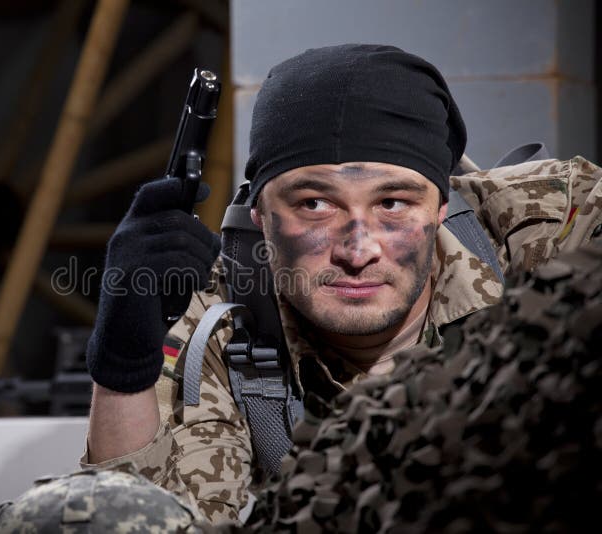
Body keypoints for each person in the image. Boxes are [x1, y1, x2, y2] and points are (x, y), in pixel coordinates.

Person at [80, 44, 602, 525]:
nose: (358, 251)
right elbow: (152, 520)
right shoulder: (223, 322)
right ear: (259, 213)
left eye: (392, 203)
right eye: (314, 205)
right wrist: (124, 368)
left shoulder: (548, 221)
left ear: (442, 204)